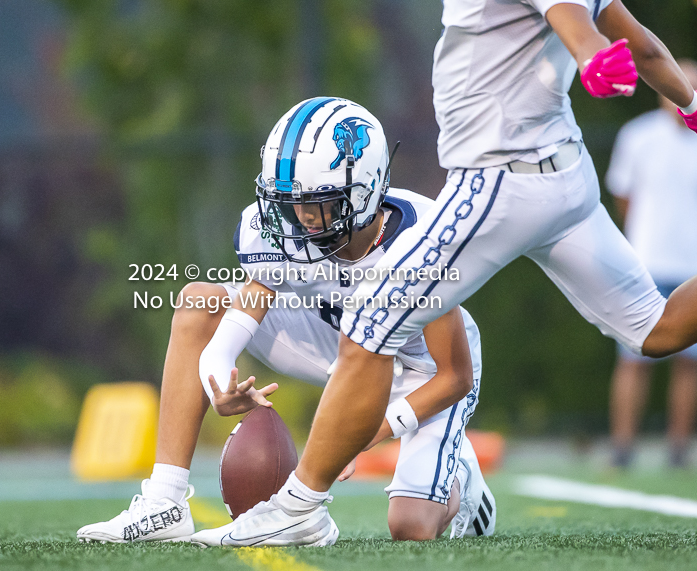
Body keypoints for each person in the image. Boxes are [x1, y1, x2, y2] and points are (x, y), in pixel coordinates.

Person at [191, 0, 697, 547]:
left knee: (370, 318)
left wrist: (592, 57)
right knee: (657, 329)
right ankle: (416, 486)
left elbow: (571, 19)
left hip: (497, 180)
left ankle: (297, 504)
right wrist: (691, 104)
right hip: (565, 174)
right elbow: (641, 43)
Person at [78, 98, 492, 544]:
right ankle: (164, 501)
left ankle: (463, 484)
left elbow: (454, 375)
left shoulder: (423, 238)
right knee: (199, 302)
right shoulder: (285, 226)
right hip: (335, 341)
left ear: (364, 193)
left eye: (318, 203)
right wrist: (219, 381)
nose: (300, 218)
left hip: (420, 368)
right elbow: (238, 317)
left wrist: (368, 431)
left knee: (410, 527)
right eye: (288, 201)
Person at [607, 59, 697, 468]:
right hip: (643, 266)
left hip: (692, 269)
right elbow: (623, 198)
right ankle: (622, 447)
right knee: (632, 359)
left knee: (688, 366)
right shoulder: (637, 136)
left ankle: (678, 450)